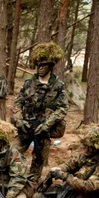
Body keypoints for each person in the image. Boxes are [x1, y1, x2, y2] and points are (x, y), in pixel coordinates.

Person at [13, 42, 68, 182]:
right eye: (38, 65)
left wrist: (47, 125)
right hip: (25, 126)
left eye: (44, 65)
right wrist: (19, 120)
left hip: (43, 129)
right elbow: (17, 103)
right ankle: (14, 177)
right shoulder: (28, 83)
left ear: (50, 67)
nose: (40, 68)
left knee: (38, 160)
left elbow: (63, 108)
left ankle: (32, 182)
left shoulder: (58, 85)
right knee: (12, 152)